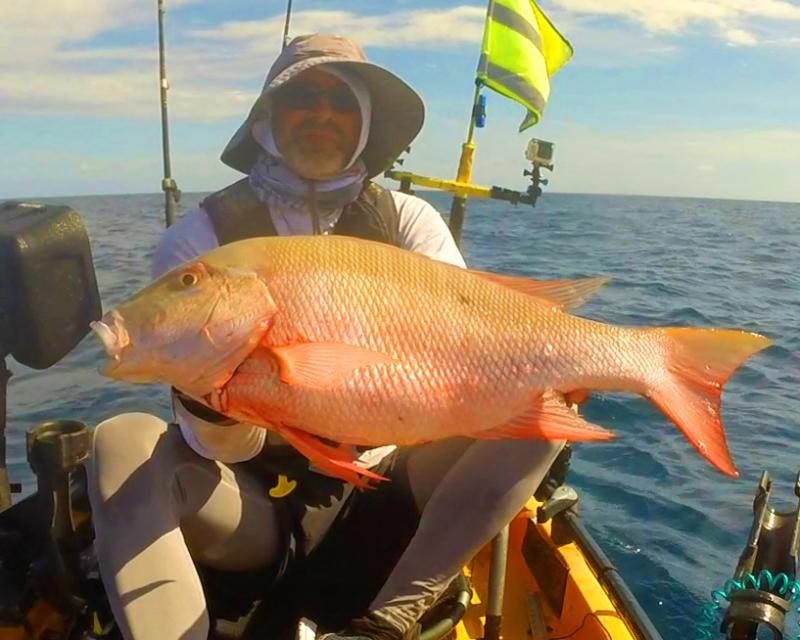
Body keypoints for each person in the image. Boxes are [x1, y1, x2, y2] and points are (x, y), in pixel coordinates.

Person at [87, 34, 565, 640]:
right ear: (267, 119)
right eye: (301, 98)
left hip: (387, 483)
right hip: (250, 501)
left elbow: (459, 356)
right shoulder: (201, 241)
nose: (321, 114)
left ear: (365, 124)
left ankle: (389, 621)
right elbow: (218, 449)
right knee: (121, 440)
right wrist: (218, 398)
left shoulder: (410, 222)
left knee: (547, 411)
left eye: (341, 101)